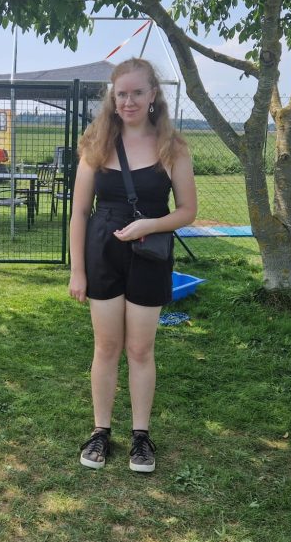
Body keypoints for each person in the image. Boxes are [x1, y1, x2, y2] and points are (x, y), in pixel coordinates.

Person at [68, 58, 197, 473]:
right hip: (102, 253)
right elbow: (79, 212)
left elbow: (188, 211)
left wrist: (150, 224)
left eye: (137, 93)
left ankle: (141, 437)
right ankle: (100, 431)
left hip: (149, 254)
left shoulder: (172, 147)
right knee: (106, 346)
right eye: (121, 93)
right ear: (113, 96)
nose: (129, 101)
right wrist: (77, 270)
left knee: (140, 349)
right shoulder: (96, 143)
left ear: (153, 94)